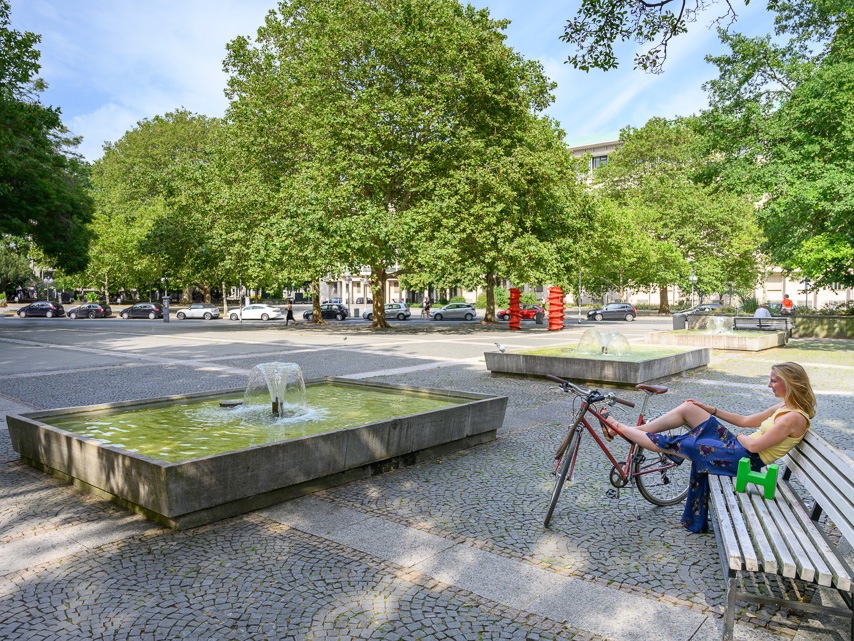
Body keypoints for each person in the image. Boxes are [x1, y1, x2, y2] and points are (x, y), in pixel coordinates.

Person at [601, 362, 815, 533]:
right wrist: (709, 409)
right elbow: (744, 420)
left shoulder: (793, 418)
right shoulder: (784, 406)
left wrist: (740, 437)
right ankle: (633, 432)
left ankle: (619, 427)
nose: (769, 385)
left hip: (745, 459)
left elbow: (755, 444)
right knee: (689, 408)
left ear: (789, 383)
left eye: (774, 381)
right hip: (738, 449)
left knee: (687, 444)